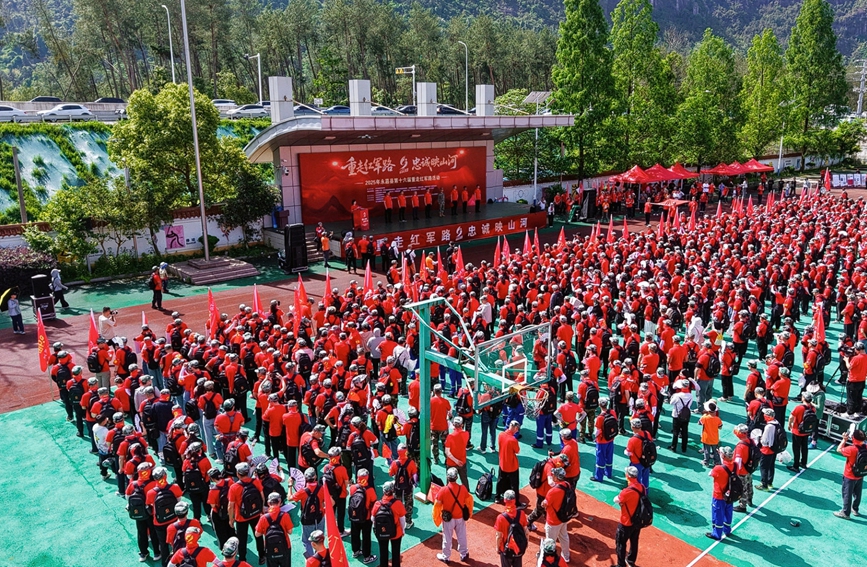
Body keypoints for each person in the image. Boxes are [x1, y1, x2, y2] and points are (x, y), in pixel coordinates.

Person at [228, 462, 265, 563]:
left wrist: (231, 519)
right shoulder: (256, 481)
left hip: (241, 517)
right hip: (256, 513)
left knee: (242, 539)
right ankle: (262, 556)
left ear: (238, 474)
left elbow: (230, 506)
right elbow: (262, 497)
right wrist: (261, 510)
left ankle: (242, 560)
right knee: (258, 535)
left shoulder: (234, 487)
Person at [147, 466, 184, 566]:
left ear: (154, 478)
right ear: (165, 476)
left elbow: (149, 508)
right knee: (177, 542)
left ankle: (165, 564)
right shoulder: (175, 487)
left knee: (163, 544)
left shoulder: (151, 492)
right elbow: (178, 502)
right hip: (174, 520)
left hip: (159, 523)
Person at [435, 467, 472, 563]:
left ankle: (446, 556)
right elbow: (469, 501)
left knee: (447, 538)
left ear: (448, 477)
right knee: (462, 536)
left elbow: (437, 504)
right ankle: (464, 554)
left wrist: (437, 518)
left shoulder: (443, 490)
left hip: (448, 520)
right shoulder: (463, 488)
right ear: (457, 477)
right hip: (460, 518)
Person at [613, 466, 645, 567]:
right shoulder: (642, 487)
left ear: (627, 476)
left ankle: (620, 564)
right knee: (634, 541)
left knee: (621, 543)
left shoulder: (626, 491)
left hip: (626, 522)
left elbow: (616, 500)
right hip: (637, 521)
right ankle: (631, 561)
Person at [292, 467, 326, 558]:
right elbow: (329, 502)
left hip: (307, 519)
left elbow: (290, 498)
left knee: (307, 541)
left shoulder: (303, 491)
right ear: (315, 477)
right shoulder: (321, 488)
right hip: (319, 517)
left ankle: (311, 560)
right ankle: (320, 558)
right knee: (319, 539)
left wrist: (290, 486)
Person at [371, 481, 406, 567]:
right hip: (396, 532)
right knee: (395, 552)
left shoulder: (377, 504)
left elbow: (372, 518)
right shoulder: (398, 504)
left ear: (383, 491)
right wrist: (403, 530)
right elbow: (402, 520)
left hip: (382, 532)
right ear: (393, 491)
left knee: (383, 552)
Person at [255, 492, 294, 567]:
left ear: (268, 503)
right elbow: (290, 531)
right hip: (285, 546)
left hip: (269, 548)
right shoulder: (285, 515)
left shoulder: (263, 518)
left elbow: (257, 534)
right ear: (280, 502)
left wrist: (265, 531)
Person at [541, 467, 572, 563]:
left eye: (554, 474)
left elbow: (544, 504)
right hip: (563, 518)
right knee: (564, 536)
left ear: (557, 477)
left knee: (550, 542)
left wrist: (543, 503)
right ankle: (566, 556)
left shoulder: (553, 491)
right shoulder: (567, 485)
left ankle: (548, 560)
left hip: (553, 520)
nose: (552, 475)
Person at [348, 468, 378, 564]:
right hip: (366, 517)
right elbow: (374, 503)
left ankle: (356, 551)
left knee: (355, 534)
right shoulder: (370, 490)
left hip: (354, 516)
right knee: (366, 537)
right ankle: (367, 557)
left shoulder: (353, 488)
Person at [835, 429, 866, 519]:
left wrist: (844, 440)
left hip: (849, 475)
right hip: (860, 474)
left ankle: (845, 513)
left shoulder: (851, 449)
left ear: (853, 438)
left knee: (847, 494)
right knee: (857, 493)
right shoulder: (866, 447)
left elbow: (839, 449)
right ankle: (855, 509)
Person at [706, 446, 736, 540]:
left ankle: (716, 534)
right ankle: (727, 530)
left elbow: (711, 474)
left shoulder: (718, 468)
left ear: (723, 455)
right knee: (728, 512)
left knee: (717, 515)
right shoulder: (735, 465)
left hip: (719, 496)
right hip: (730, 494)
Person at [494, 490, 527, 567]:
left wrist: (497, 547)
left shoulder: (500, 518)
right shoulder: (521, 514)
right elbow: (526, 532)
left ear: (505, 500)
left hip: (505, 550)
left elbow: (498, 536)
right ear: (514, 500)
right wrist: (525, 544)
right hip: (518, 549)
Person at [388, 443, 418, 529]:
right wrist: (415, 482)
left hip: (397, 487)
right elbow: (414, 473)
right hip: (408, 487)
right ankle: (408, 522)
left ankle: (397, 521)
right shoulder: (411, 462)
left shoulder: (394, 463)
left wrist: (390, 465)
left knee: (397, 504)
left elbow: (390, 474)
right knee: (408, 504)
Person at [787, 392, 817, 473]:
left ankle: (795, 466)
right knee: (804, 447)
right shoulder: (813, 408)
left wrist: (789, 425)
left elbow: (791, 417)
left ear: (803, 398)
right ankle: (803, 463)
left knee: (796, 448)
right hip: (806, 431)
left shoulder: (799, 408)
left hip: (797, 431)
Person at [590, 398, 616, 482]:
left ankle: (599, 477)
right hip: (611, 439)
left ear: (599, 405)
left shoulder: (600, 418)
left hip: (602, 441)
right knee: (609, 457)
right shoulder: (612, 412)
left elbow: (597, 431)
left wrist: (595, 438)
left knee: (600, 459)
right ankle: (608, 473)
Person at [756, 408, 781, 492]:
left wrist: (759, 439)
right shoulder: (777, 423)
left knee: (763, 467)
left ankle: (764, 484)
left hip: (767, 449)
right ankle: (770, 482)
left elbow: (764, 440)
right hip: (774, 448)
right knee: (771, 466)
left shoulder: (768, 427)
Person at [496, 420, 521, 501]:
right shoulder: (513, 440)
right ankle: (516, 502)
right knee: (514, 484)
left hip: (502, 462)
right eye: (517, 429)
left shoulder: (501, 434)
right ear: (515, 428)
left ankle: (497, 497)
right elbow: (517, 451)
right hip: (512, 465)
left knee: (500, 480)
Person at [668, 380, 693, 453]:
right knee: (685, 432)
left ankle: (673, 447)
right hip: (686, 415)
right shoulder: (691, 395)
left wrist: (672, 396)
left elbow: (671, 403)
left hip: (676, 415)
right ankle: (684, 448)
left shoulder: (677, 395)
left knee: (676, 432)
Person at [445, 417, 470, 487]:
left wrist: (456, 461)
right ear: (462, 425)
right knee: (464, 480)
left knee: (449, 484)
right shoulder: (466, 434)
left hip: (451, 462)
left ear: (453, 424)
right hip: (462, 461)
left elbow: (447, 452)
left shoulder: (450, 437)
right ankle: (467, 494)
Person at [699, 401, 722, 467]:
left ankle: (706, 462)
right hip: (715, 438)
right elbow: (720, 427)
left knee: (706, 451)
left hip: (706, 438)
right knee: (716, 451)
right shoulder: (718, 419)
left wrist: (705, 414)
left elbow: (700, 423)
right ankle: (717, 462)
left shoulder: (705, 417)